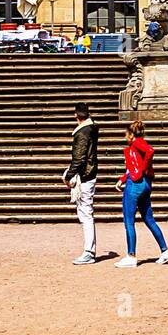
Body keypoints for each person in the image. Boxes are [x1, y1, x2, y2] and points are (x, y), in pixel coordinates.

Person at [115, 120, 168, 268]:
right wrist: (123, 179)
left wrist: (140, 171)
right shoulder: (137, 145)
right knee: (149, 219)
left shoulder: (137, 143)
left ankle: (131, 255)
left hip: (135, 184)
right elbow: (133, 166)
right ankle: (165, 251)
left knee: (129, 221)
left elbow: (150, 151)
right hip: (145, 183)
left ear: (131, 134)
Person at [66, 102, 100, 262]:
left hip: (85, 174)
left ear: (76, 115)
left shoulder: (82, 132)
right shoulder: (92, 128)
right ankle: (89, 250)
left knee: (85, 213)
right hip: (89, 172)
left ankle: (89, 251)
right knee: (86, 212)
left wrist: (68, 175)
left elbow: (79, 158)